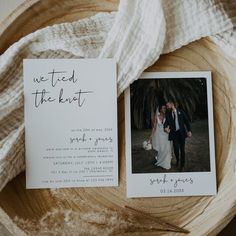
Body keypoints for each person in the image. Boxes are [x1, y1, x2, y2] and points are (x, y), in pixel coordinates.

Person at [164, 101, 192, 172]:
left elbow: (186, 121)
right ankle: (177, 160)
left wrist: (189, 130)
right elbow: (166, 122)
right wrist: (165, 128)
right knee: (176, 149)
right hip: (174, 134)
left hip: (181, 133)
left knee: (182, 149)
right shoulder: (168, 114)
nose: (166, 108)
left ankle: (182, 165)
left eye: (167, 106)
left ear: (172, 105)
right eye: (166, 106)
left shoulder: (181, 112)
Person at [151, 105, 172, 170]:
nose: (164, 109)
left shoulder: (167, 116)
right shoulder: (157, 117)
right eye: (163, 108)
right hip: (160, 136)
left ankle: (167, 163)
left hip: (166, 135)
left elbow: (171, 124)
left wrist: (169, 129)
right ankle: (160, 161)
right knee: (161, 149)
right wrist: (151, 136)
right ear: (160, 109)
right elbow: (154, 127)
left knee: (167, 149)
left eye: (165, 108)